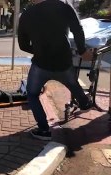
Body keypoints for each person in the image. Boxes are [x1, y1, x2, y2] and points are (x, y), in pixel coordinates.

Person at [18, 0, 94, 141]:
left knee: (32, 94)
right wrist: (82, 51)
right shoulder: (63, 5)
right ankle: (84, 102)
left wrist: (38, 51)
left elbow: (22, 44)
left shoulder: (27, 14)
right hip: (63, 61)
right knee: (71, 82)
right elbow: (77, 28)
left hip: (40, 64)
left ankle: (44, 130)